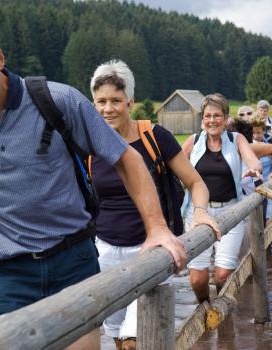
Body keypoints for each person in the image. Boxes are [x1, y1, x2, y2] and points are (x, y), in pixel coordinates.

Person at [0, 16, 185, 350]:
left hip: (73, 262)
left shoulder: (58, 102)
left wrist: (156, 228)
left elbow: (126, 158)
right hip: (3, 274)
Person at [89, 60, 220, 350]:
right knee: (115, 334)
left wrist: (199, 212)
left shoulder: (155, 138)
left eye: (115, 101)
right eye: (101, 101)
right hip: (104, 251)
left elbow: (195, 182)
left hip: (150, 250)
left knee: (136, 338)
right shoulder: (88, 145)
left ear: (130, 102)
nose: (108, 108)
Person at [182, 93, 262, 303]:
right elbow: (175, 165)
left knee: (222, 274)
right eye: (207, 116)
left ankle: (222, 310)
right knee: (197, 279)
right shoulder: (194, 141)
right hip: (197, 213)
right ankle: (205, 309)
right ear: (202, 120)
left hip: (229, 212)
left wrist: (254, 169)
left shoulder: (237, 140)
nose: (212, 120)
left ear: (226, 119)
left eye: (217, 115)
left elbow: (253, 161)